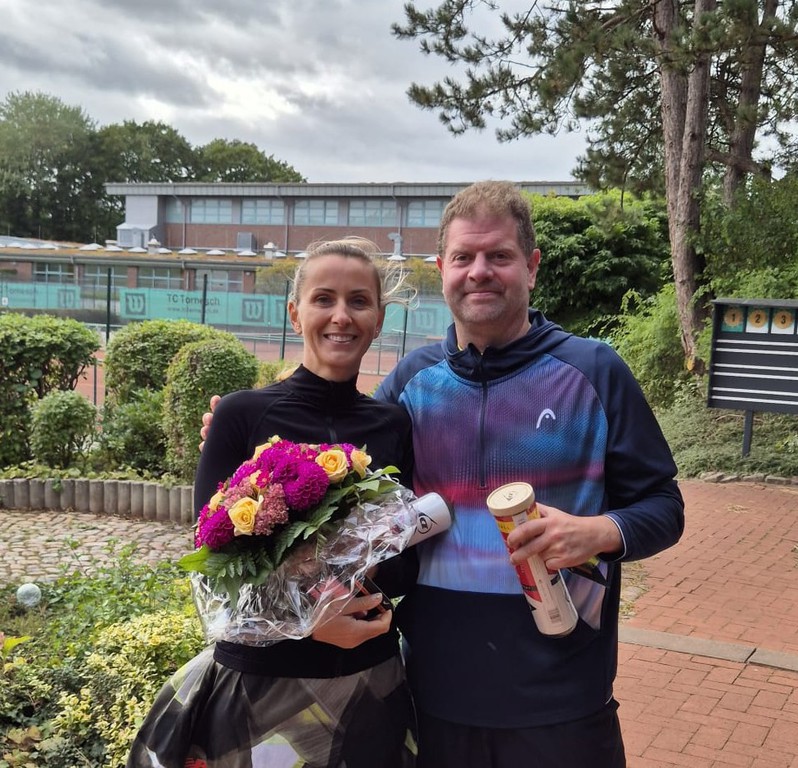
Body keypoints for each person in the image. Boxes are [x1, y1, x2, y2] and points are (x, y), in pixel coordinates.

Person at [200, 181, 685, 768]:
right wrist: (238, 432)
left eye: (499, 255)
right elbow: (337, 442)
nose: (480, 272)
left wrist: (598, 532)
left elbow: (664, 506)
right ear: (442, 270)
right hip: (432, 695)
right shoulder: (410, 383)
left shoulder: (594, 371)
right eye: (463, 257)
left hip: (564, 694)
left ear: (531, 267)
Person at [128, 237, 416, 768]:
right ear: (294, 313)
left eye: (358, 301)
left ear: (378, 320)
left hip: (368, 681)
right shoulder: (241, 416)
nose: (341, 316)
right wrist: (312, 620)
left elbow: (405, 564)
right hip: (264, 685)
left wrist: (368, 574)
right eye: (323, 298)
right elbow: (212, 571)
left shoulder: (393, 425)